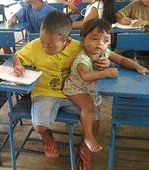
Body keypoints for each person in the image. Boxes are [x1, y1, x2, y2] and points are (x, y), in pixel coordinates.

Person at [13, 10, 110, 159]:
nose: (45, 47)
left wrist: (105, 61)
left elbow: (101, 53)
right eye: (42, 41)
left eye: (51, 45)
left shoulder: (78, 47)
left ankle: (84, 148)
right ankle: (49, 140)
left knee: (95, 117)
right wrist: (18, 65)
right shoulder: (35, 46)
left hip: (73, 93)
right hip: (45, 92)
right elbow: (18, 55)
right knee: (39, 126)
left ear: (67, 40)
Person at [64, 18, 149, 170]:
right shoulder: (82, 58)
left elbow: (122, 60)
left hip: (91, 90)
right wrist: (106, 72)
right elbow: (85, 76)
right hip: (75, 88)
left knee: (96, 118)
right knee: (88, 107)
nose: (100, 43)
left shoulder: (104, 52)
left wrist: (138, 67)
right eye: (95, 38)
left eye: (105, 40)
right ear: (83, 41)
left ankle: (84, 147)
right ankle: (88, 139)